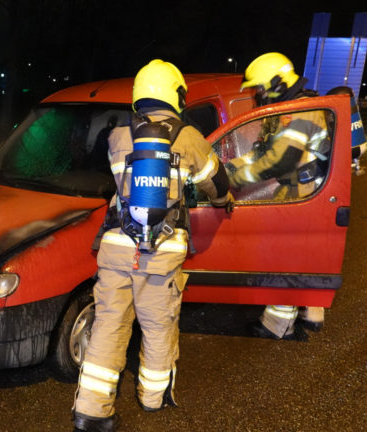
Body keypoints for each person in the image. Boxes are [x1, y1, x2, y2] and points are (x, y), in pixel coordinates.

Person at [72, 59, 234, 432]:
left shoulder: (117, 137)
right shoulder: (188, 138)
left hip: (116, 249)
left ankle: (91, 411)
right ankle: (152, 397)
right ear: (176, 94)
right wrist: (222, 197)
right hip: (160, 255)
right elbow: (218, 184)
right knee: (158, 327)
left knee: (109, 325)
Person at [226, 52, 328, 340]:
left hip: (305, 192)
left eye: (261, 88)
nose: (259, 95)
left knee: (287, 257)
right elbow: (261, 153)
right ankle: (311, 311)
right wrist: (227, 167)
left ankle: (277, 326)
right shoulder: (287, 110)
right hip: (304, 190)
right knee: (303, 255)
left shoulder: (302, 111)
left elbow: (278, 161)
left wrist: (232, 179)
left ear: (277, 82)